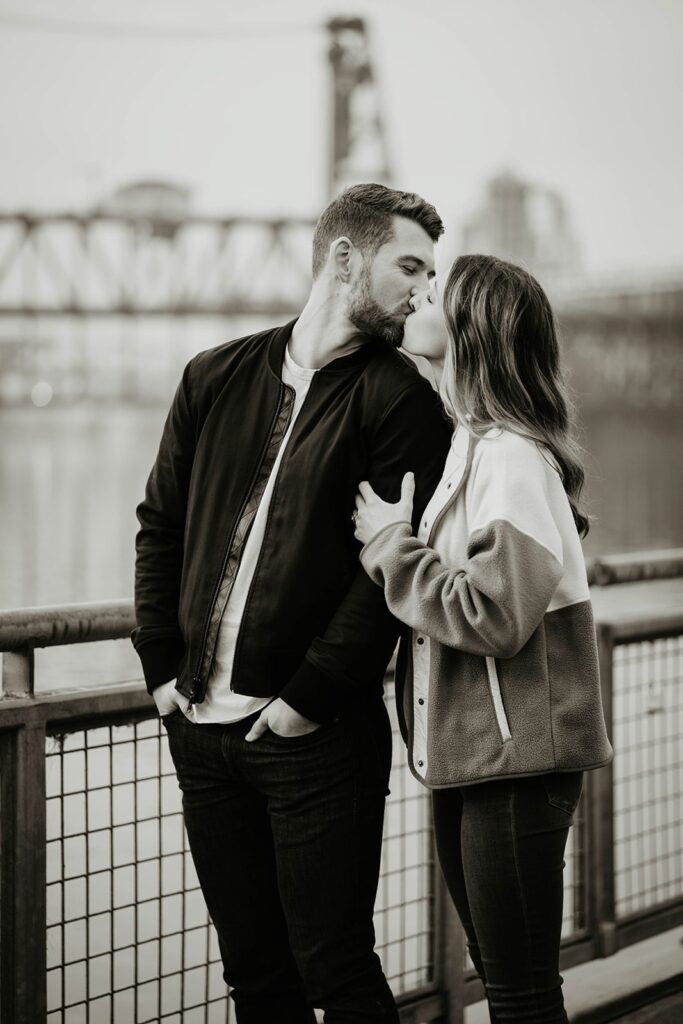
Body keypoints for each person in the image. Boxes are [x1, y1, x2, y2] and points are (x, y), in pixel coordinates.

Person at [132, 183, 452, 1023]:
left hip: (318, 739)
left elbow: (386, 575)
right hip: (201, 733)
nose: (421, 290)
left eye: (429, 273)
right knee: (256, 979)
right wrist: (161, 667)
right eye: (408, 266)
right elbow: (159, 526)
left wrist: (307, 700)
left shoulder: (402, 399)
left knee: (336, 972)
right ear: (345, 257)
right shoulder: (213, 374)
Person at [353, 254, 613, 1023]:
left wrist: (388, 547)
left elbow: (494, 616)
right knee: (508, 982)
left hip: (515, 765)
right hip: (477, 758)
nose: (418, 297)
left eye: (435, 292)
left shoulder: (509, 459)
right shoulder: (473, 447)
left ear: (470, 331)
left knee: (520, 991)